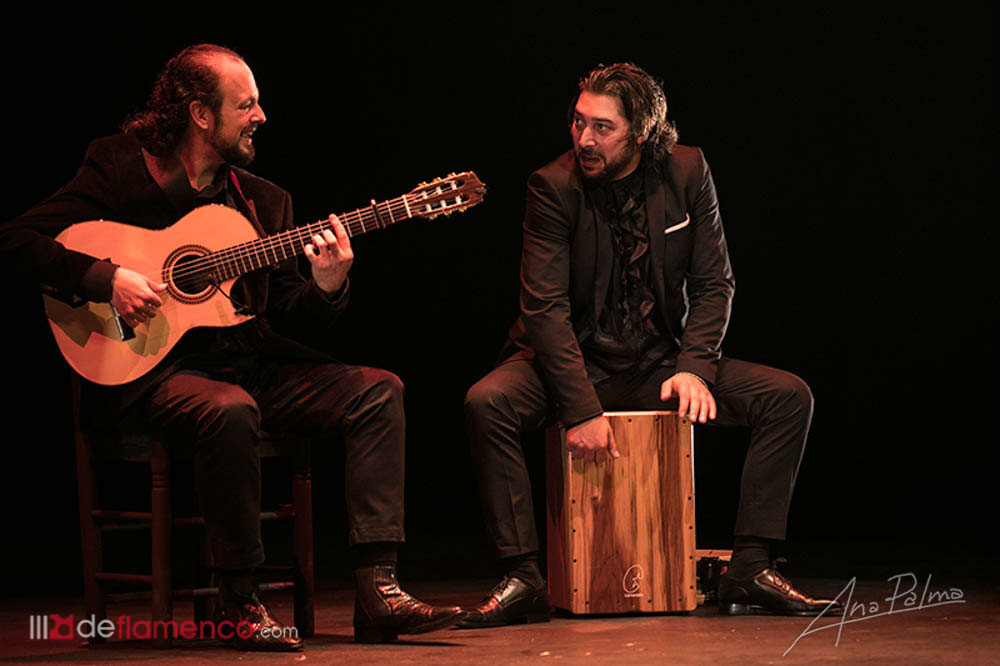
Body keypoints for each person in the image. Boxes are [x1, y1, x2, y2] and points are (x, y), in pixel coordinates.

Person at [0, 43, 464, 650]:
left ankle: (379, 590)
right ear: (199, 114)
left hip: (247, 366)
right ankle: (239, 599)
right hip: (149, 375)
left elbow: (288, 313)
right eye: (246, 105)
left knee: (378, 391)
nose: (261, 116)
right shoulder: (118, 167)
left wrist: (327, 286)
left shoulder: (264, 202)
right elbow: (17, 240)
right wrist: (104, 278)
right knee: (229, 409)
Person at [460, 62, 842, 627]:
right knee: (486, 402)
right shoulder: (552, 186)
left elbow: (714, 282)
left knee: (787, 397)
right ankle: (523, 577)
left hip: (656, 365)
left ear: (640, 132)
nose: (584, 139)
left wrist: (694, 368)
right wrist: (580, 408)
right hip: (572, 366)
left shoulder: (687, 170)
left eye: (603, 127)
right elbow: (544, 310)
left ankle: (751, 567)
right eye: (578, 122)